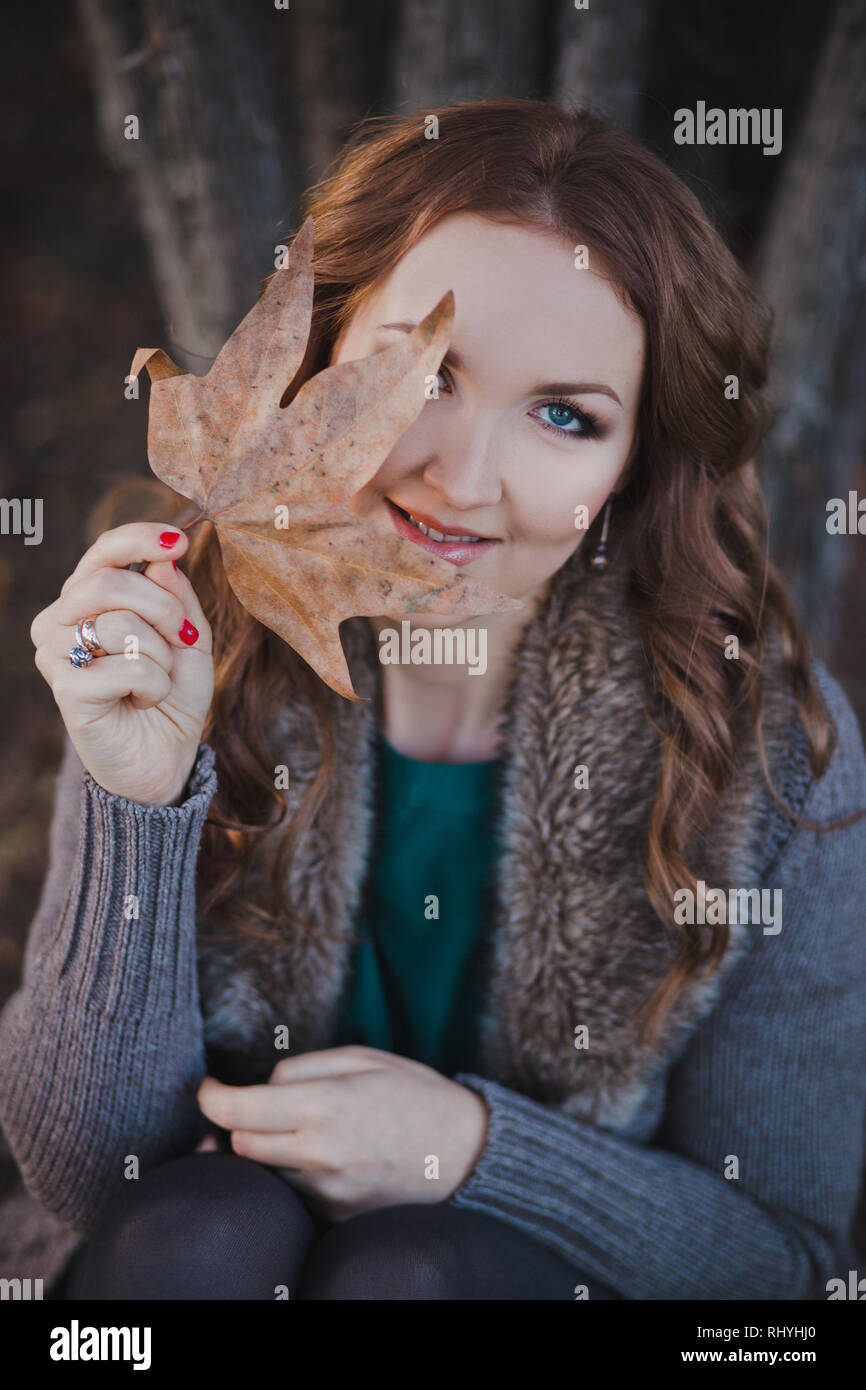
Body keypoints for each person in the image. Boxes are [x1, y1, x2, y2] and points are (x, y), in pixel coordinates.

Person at [1, 98, 865, 1301]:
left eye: (564, 415)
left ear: (633, 466)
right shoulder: (187, 637)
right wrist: (129, 795)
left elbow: (782, 1260)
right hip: (191, 1268)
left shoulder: (763, 753)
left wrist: (471, 1152)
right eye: (423, 372)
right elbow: (93, 1182)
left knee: (414, 1272)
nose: (461, 479)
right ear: (313, 357)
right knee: (195, 1232)